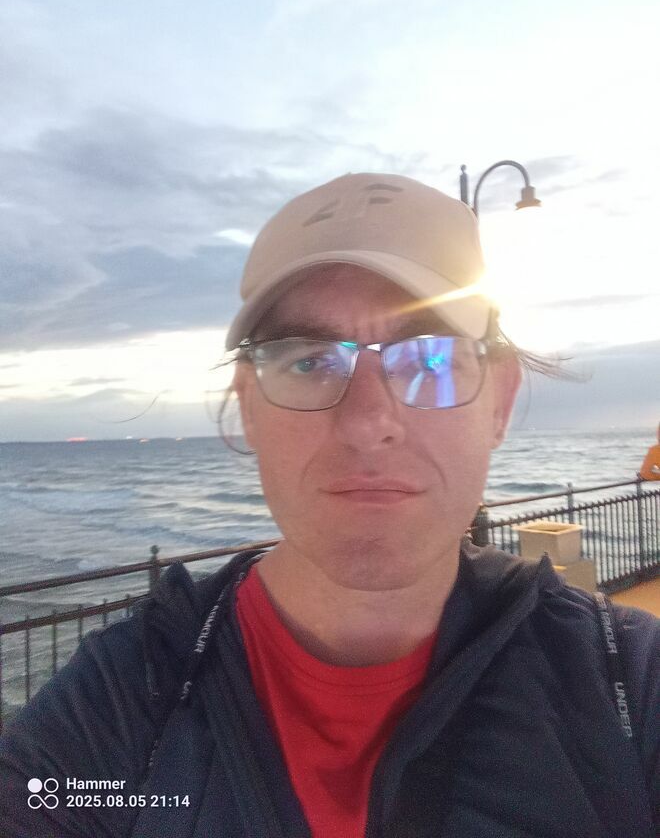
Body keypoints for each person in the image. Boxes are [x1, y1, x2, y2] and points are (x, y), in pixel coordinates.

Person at [0, 173, 658, 838]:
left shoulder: (630, 687)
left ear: (500, 401)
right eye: (309, 361)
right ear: (248, 406)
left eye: (429, 359)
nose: (367, 423)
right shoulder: (120, 705)